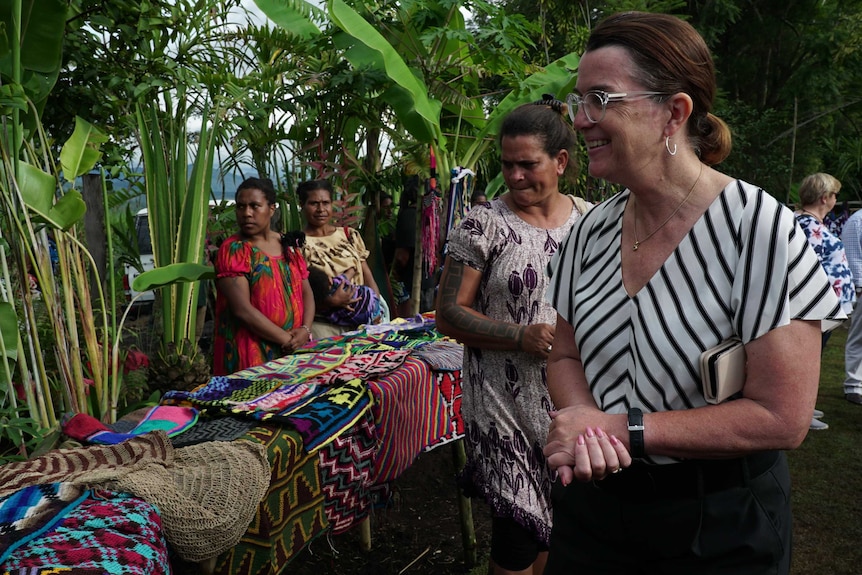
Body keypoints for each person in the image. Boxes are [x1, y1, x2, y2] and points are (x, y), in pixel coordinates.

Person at [542, 12, 844, 575]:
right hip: (596, 510)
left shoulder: (759, 230)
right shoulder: (588, 231)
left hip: (719, 523)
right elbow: (563, 353)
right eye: (578, 102)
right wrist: (584, 416)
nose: (580, 121)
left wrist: (627, 427)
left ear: (673, 113)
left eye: (601, 98)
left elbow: (783, 417)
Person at [436, 96, 591, 575]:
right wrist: (521, 336)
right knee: (516, 538)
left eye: (528, 165)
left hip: (570, 406)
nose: (516, 176)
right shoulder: (483, 224)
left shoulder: (592, 223)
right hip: (502, 407)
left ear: (560, 162)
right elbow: (447, 314)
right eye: (508, 165)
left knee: (559, 536)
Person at [212, 177, 314, 376]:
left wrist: (305, 330)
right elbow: (242, 310)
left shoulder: (288, 244)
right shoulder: (235, 250)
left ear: (272, 209)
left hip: (292, 352)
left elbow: (306, 292)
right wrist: (287, 340)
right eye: (241, 207)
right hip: (251, 356)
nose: (247, 213)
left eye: (254, 206)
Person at [794, 172, 856, 429]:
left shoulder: (813, 223)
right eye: (834, 195)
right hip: (815, 306)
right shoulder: (807, 226)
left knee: (812, 359)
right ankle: (798, 414)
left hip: (825, 307)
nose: (835, 200)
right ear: (824, 197)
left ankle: (803, 408)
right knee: (805, 361)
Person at [298, 179, 382, 339]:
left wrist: (376, 309)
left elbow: (367, 275)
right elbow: (300, 290)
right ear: (302, 204)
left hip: (361, 323)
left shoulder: (348, 235)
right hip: (323, 326)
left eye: (326, 203)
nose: (321, 209)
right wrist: (329, 301)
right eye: (314, 203)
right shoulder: (297, 244)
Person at [306, 265, 382, 327]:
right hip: (369, 294)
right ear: (329, 279)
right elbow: (351, 272)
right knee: (373, 295)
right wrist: (352, 268)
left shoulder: (327, 310)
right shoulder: (338, 281)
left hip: (368, 317)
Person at [841, 205, 862, 405]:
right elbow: (852, 254)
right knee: (859, 337)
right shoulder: (857, 221)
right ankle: (854, 385)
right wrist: (860, 284)